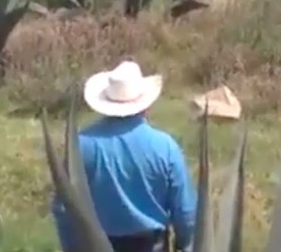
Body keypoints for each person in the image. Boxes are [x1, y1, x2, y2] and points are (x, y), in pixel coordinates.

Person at [52, 61, 197, 252]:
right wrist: (184, 244)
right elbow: (185, 212)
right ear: (145, 104)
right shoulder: (165, 147)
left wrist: (73, 247)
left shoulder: (81, 146)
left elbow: (64, 207)